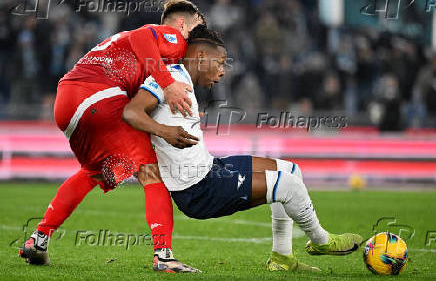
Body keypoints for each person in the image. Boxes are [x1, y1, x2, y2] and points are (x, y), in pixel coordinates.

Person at [122, 25, 363, 273]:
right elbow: (131, 112)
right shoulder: (169, 77)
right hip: (198, 190)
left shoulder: (181, 80)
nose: (224, 71)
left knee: (292, 170)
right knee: (289, 186)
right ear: (202, 57)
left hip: (210, 168)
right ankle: (322, 241)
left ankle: (282, 258)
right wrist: (164, 132)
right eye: (221, 62)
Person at [19, 0, 203, 273]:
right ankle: (163, 255)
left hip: (67, 101)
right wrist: (167, 84)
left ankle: (39, 239)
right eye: (199, 23)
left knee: (93, 171)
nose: (201, 30)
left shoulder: (129, 45)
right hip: (97, 95)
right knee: (151, 172)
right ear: (181, 23)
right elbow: (143, 37)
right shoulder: (174, 36)